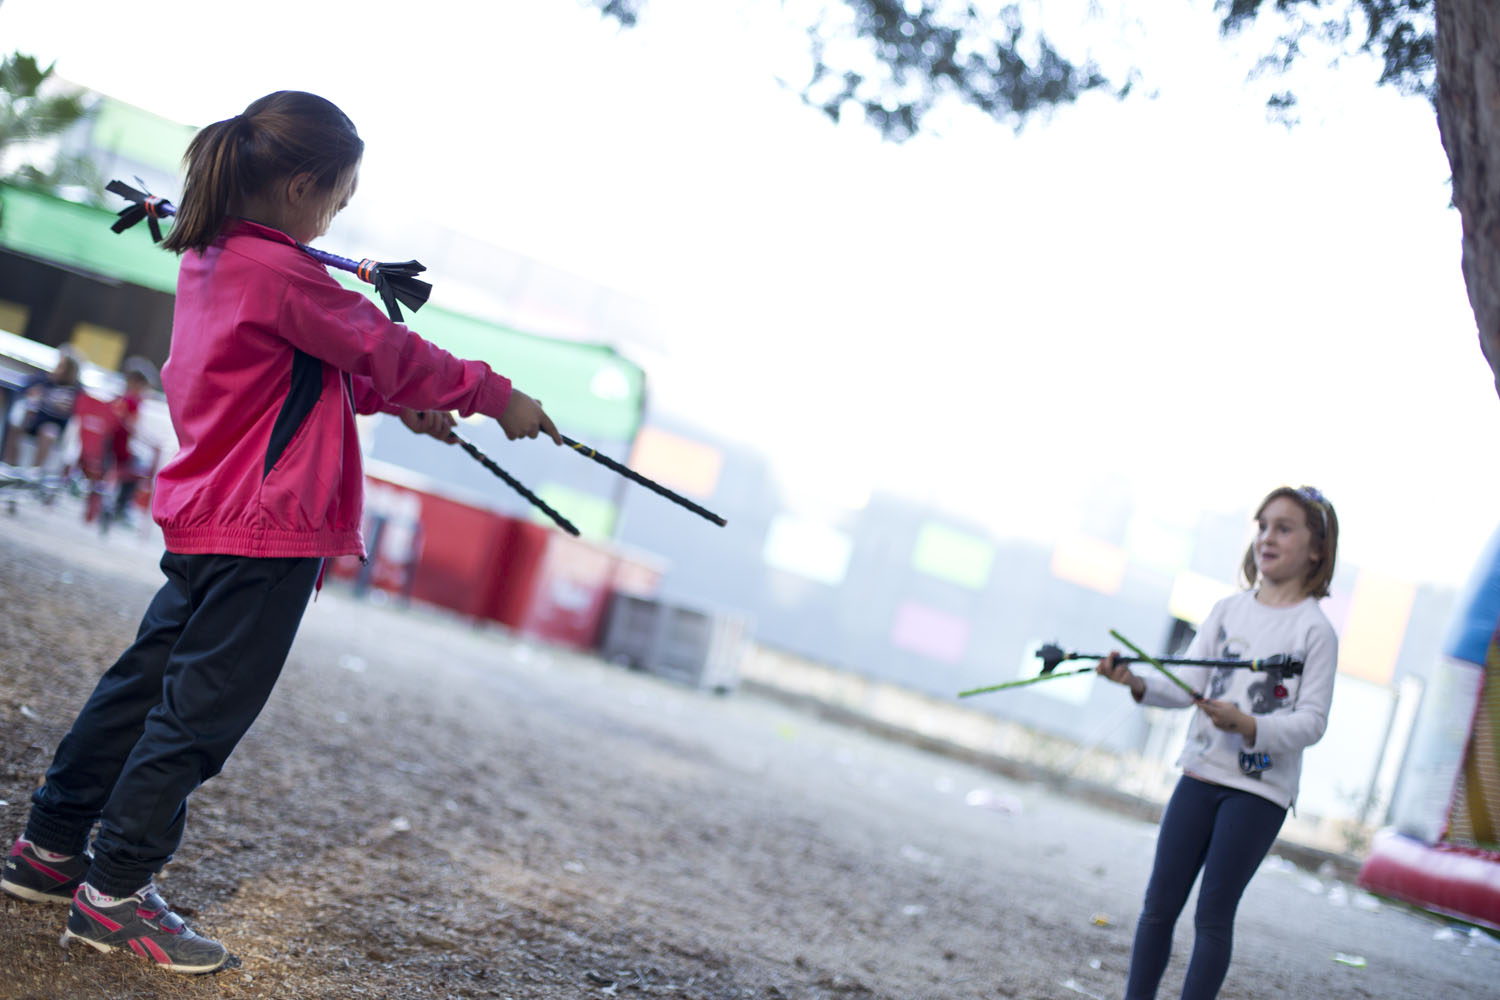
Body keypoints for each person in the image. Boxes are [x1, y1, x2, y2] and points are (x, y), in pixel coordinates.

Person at [0, 91, 561, 974]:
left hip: (210, 519)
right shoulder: (289, 275)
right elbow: (384, 348)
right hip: (268, 534)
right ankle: (113, 898)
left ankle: (51, 848)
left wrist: (404, 405)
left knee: (139, 688)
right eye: (339, 196)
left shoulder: (216, 257)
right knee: (198, 716)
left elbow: (313, 364)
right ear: (302, 187)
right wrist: (495, 395)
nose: (340, 213)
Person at [1095, 485, 1339, 1000]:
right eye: (1263, 526)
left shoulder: (1317, 631)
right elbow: (1187, 689)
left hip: (1259, 793)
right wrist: (1136, 682)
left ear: (1316, 549)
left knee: (1212, 918)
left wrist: (1251, 726)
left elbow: (1313, 722)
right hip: (1199, 776)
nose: (1267, 538)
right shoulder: (1227, 610)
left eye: (1284, 528)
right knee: (1158, 906)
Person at [3, 350, 82, 471]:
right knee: (16, 423)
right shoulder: (43, 379)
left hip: (55, 425)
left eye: (62, 367)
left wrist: (65, 410)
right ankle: (10, 465)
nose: (58, 369)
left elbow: (77, 413)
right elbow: (24, 389)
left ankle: (34, 472)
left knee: (49, 432)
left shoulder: (76, 390)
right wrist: (32, 394)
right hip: (34, 419)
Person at [102, 358, 156, 525]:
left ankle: (119, 505)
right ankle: (122, 507)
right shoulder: (132, 402)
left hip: (109, 447)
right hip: (119, 450)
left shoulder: (120, 399)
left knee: (138, 462)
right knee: (139, 468)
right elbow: (131, 427)